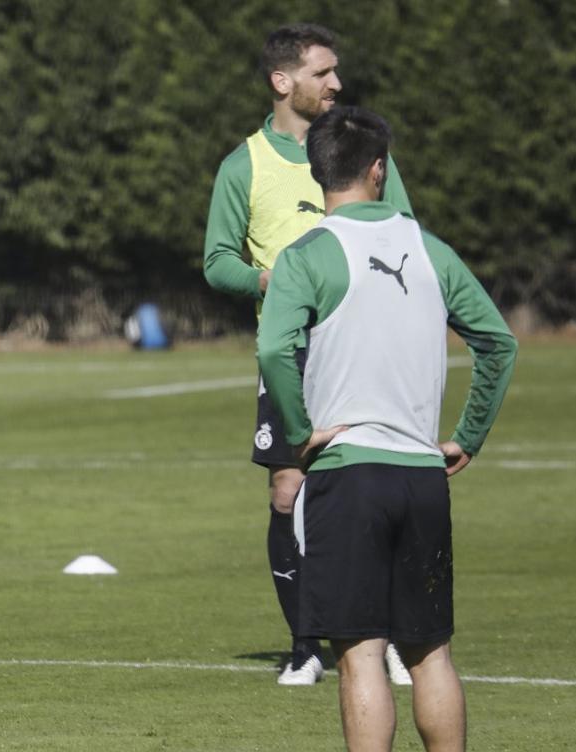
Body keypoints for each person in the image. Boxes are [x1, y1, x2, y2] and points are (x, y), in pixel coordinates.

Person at [257, 105, 516, 751]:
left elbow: (273, 352)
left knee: (361, 657)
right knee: (430, 654)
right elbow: (498, 344)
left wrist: (299, 431)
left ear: (318, 173)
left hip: (348, 476)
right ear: (379, 169)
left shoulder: (307, 254)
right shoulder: (430, 250)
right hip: (422, 477)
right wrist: (469, 433)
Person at [202, 22, 415, 685]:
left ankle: (392, 640)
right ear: (282, 81)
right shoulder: (244, 166)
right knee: (288, 490)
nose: (337, 84)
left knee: (379, 488)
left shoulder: (361, 150)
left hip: (367, 346)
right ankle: (305, 647)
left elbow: (404, 233)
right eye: (324, 72)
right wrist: (274, 281)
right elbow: (216, 263)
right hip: (292, 352)